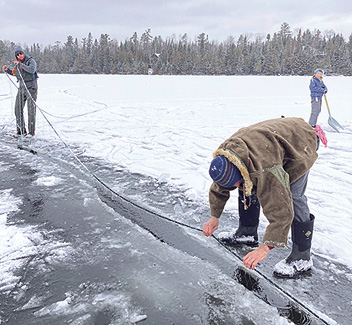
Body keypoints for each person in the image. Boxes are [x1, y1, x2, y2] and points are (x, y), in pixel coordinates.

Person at [202, 117, 322, 278]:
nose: (237, 186)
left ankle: (302, 257)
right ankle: (247, 232)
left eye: (236, 183)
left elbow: (280, 209)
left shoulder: (266, 170)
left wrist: (266, 247)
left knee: (293, 197)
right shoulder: (226, 158)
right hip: (270, 143)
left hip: (301, 142)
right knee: (247, 183)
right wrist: (214, 217)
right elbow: (220, 186)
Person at [2, 45, 39, 137]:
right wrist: (8, 70)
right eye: (17, 55)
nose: (20, 56)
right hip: (21, 89)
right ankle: (21, 130)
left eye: (21, 53)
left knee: (31, 111)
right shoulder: (18, 64)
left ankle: (31, 132)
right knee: (17, 109)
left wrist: (20, 64)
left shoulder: (31, 61)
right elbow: (15, 73)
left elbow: (31, 70)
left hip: (31, 89)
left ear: (23, 53)